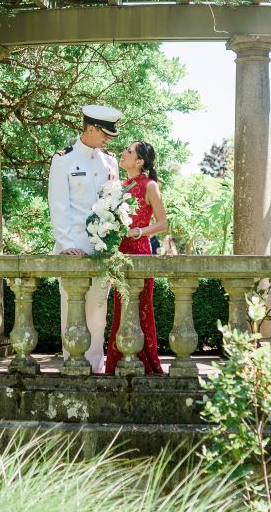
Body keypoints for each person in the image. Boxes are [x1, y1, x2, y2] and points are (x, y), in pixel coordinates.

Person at [48, 104, 122, 373]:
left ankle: (96, 366)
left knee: (98, 312)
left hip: (102, 250)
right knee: (72, 311)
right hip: (73, 247)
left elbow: (113, 203)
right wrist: (67, 244)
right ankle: (73, 364)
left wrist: (112, 241)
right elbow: (58, 205)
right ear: (90, 129)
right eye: (105, 134)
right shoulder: (64, 159)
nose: (108, 140)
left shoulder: (110, 161)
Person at [105, 141, 167, 375]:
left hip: (140, 250)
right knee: (120, 308)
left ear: (139, 161)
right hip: (119, 251)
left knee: (141, 307)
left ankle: (145, 364)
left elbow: (163, 223)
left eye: (129, 151)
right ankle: (117, 363)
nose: (123, 153)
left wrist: (139, 231)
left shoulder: (150, 186)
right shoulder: (119, 186)